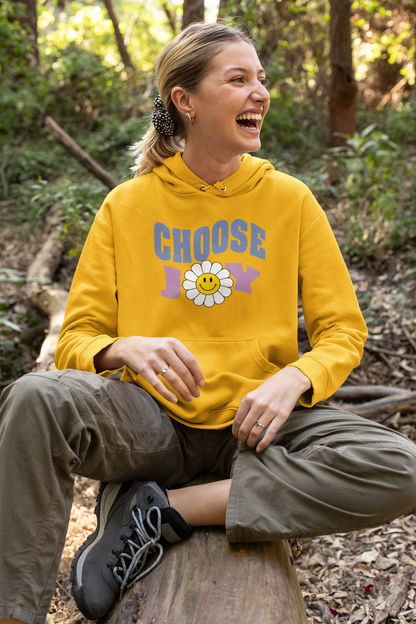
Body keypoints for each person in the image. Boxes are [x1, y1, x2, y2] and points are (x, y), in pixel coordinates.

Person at [1, 21, 416, 624]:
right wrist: (123, 349)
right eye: (238, 79)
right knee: (33, 398)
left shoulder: (290, 201)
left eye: (262, 80)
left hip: (258, 429)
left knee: (402, 467)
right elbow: (77, 338)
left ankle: (168, 510)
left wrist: (294, 379)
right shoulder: (128, 205)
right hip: (152, 424)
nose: (260, 93)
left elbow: (343, 333)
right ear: (185, 101)